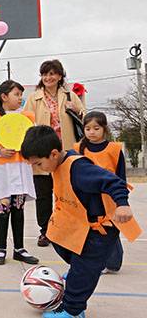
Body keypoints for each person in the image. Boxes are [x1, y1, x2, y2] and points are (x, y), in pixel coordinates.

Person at [21, 125, 140, 318]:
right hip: (81, 224)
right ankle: (81, 273)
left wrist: (122, 204)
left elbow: (112, 181)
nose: (37, 169)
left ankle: (73, 310)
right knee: (58, 241)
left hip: (100, 231)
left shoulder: (79, 168)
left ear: (53, 154)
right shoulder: (58, 165)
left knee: (84, 269)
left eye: (38, 164)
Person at [23, 60, 85, 247]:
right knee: (43, 195)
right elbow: (26, 123)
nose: (48, 78)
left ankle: (66, 228)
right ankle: (46, 231)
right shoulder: (34, 98)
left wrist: (76, 109)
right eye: (44, 74)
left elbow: (84, 116)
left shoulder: (69, 95)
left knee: (66, 193)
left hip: (64, 152)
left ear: (59, 75)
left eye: (52, 74)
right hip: (42, 153)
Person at [0, 80, 39, 265]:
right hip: (2, 171)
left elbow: (35, 139)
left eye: (21, 95)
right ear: (4, 97)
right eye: (16, 94)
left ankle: (19, 248)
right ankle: (1, 248)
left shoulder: (27, 117)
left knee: (18, 209)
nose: (20, 98)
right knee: (3, 209)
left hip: (21, 170)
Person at [74, 111, 127, 274]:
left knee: (110, 229)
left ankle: (113, 262)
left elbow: (120, 176)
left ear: (104, 128)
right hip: (88, 197)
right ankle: (94, 260)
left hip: (109, 197)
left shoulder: (114, 149)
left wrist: (121, 200)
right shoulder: (78, 148)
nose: (92, 132)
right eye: (88, 128)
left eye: (96, 128)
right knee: (92, 229)